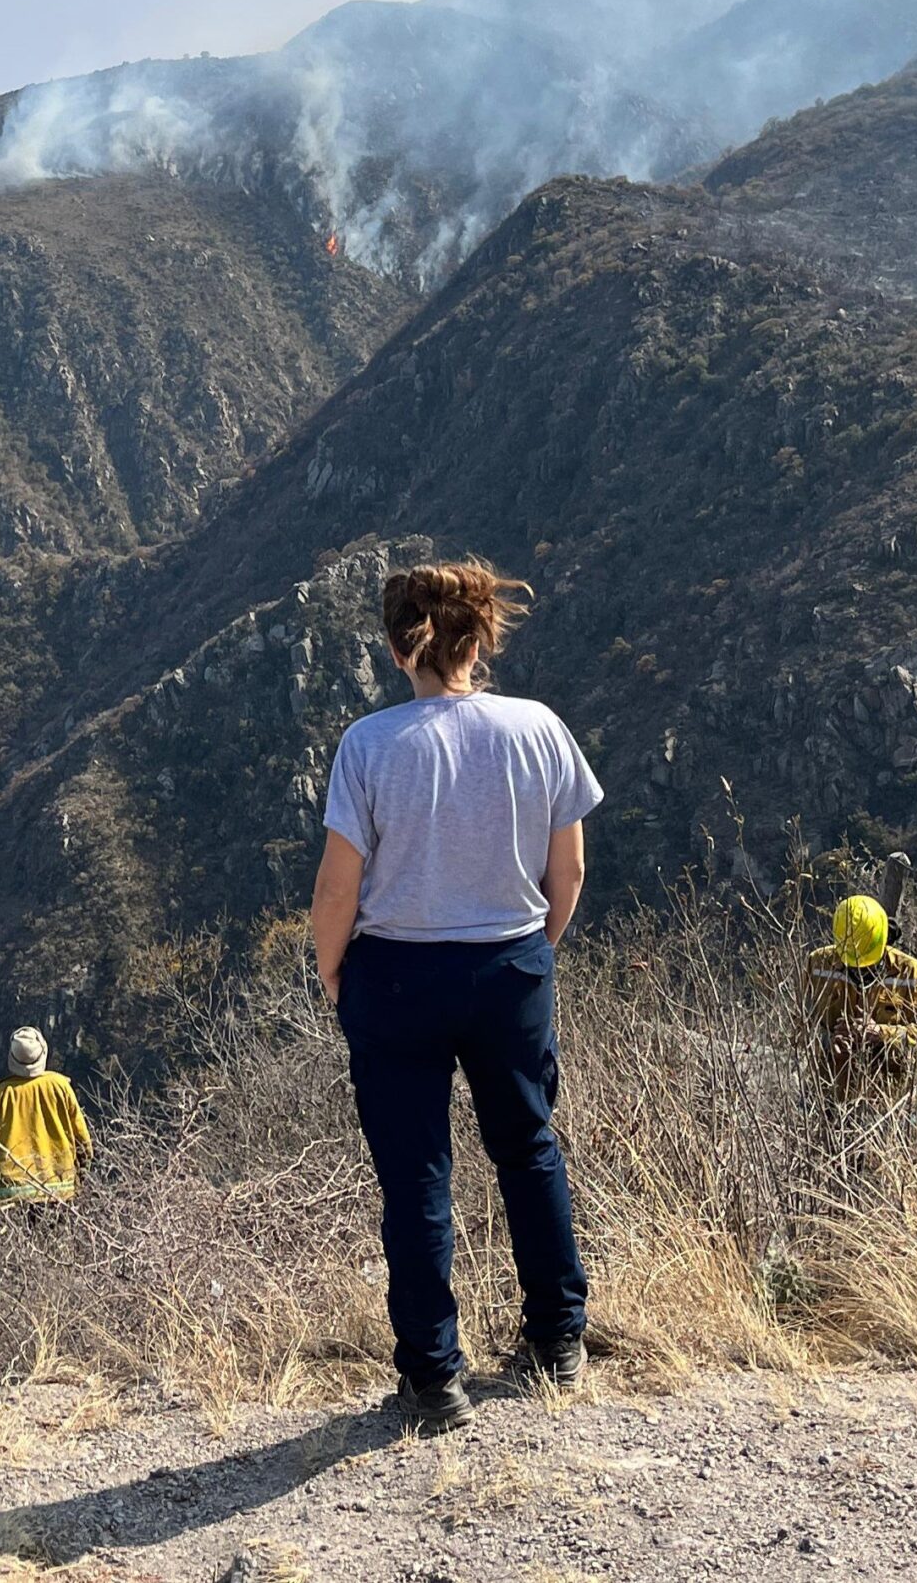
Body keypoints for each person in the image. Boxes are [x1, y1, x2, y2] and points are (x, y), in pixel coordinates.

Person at [311, 561, 600, 1432]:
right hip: (509, 966)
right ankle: (558, 1339)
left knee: (416, 1177)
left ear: (401, 649)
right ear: (480, 639)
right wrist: (532, 950)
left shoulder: (371, 744)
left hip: (396, 976)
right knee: (528, 1149)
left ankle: (435, 1378)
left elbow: (338, 890)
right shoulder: (538, 729)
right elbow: (571, 868)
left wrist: (335, 972)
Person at [803, 893, 917, 1106]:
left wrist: (881, 1035)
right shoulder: (818, 966)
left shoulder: (912, 975)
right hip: (828, 1094)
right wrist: (828, 1043)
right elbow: (799, 1029)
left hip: (888, 1102)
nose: (860, 969)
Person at [0, 1026, 93, 1202]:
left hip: (12, 1192)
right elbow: (82, 1139)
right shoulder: (60, 1086)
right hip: (59, 1189)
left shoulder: (2, 1094)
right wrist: (81, 1171)